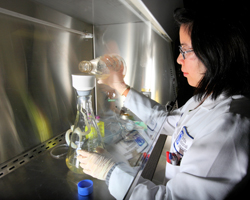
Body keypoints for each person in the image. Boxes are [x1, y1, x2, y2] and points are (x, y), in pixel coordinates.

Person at [77, 3, 250, 200]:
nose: (178, 59)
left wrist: (109, 171)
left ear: (214, 53)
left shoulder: (229, 130)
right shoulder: (205, 99)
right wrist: (120, 86)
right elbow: (163, 120)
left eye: (185, 51)